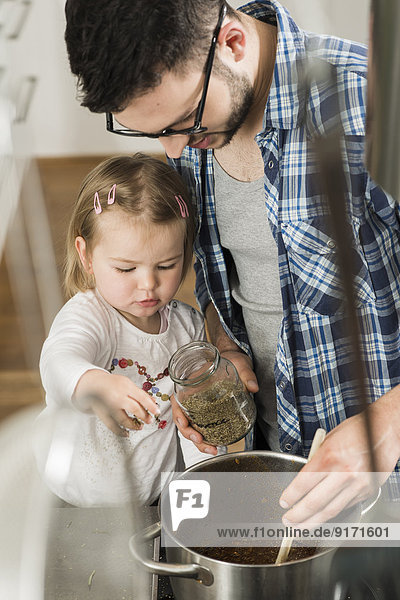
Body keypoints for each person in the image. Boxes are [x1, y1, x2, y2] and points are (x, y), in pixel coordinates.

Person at [64, 0, 400, 524]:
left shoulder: (373, 105)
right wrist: (222, 348)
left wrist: (384, 426)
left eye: (184, 126)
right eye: (152, 134)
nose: (175, 152)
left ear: (232, 43)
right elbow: (244, 273)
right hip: (280, 466)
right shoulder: (201, 126)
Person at [34, 153, 209, 507]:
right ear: (87, 257)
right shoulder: (90, 315)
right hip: (71, 496)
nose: (148, 285)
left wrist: (205, 478)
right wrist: (98, 384)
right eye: (126, 269)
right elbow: (58, 361)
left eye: (165, 265)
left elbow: (193, 421)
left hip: (154, 494)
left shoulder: (188, 327)